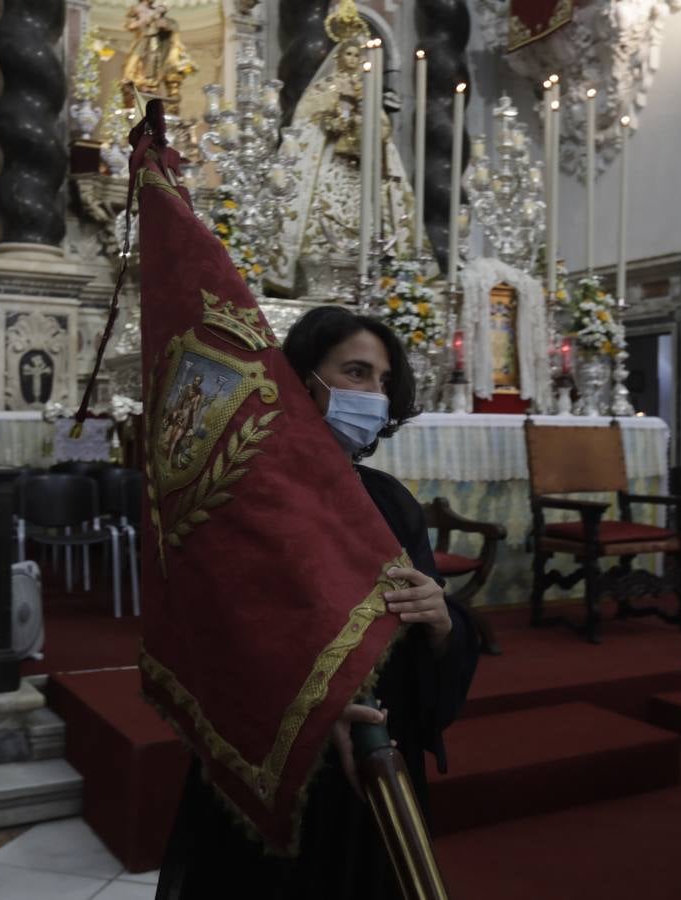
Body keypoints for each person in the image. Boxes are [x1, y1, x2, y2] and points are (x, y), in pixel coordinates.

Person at [155, 306, 478, 899]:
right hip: (282, 765)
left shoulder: (388, 500)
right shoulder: (242, 494)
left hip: (379, 752)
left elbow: (432, 620)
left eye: (382, 381)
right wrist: (308, 708)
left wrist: (441, 623)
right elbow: (214, 638)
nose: (373, 394)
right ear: (303, 378)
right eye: (356, 373)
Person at [267, 36, 417, 296]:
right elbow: (305, 120)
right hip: (328, 164)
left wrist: (365, 121)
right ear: (338, 57)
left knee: (366, 220)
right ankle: (315, 280)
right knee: (322, 219)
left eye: (357, 56)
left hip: (358, 166)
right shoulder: (325, 88)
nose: (353, 60)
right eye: (348, 54)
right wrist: (333, 121)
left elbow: (382, 128)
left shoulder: (367, 90)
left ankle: (363, 279)